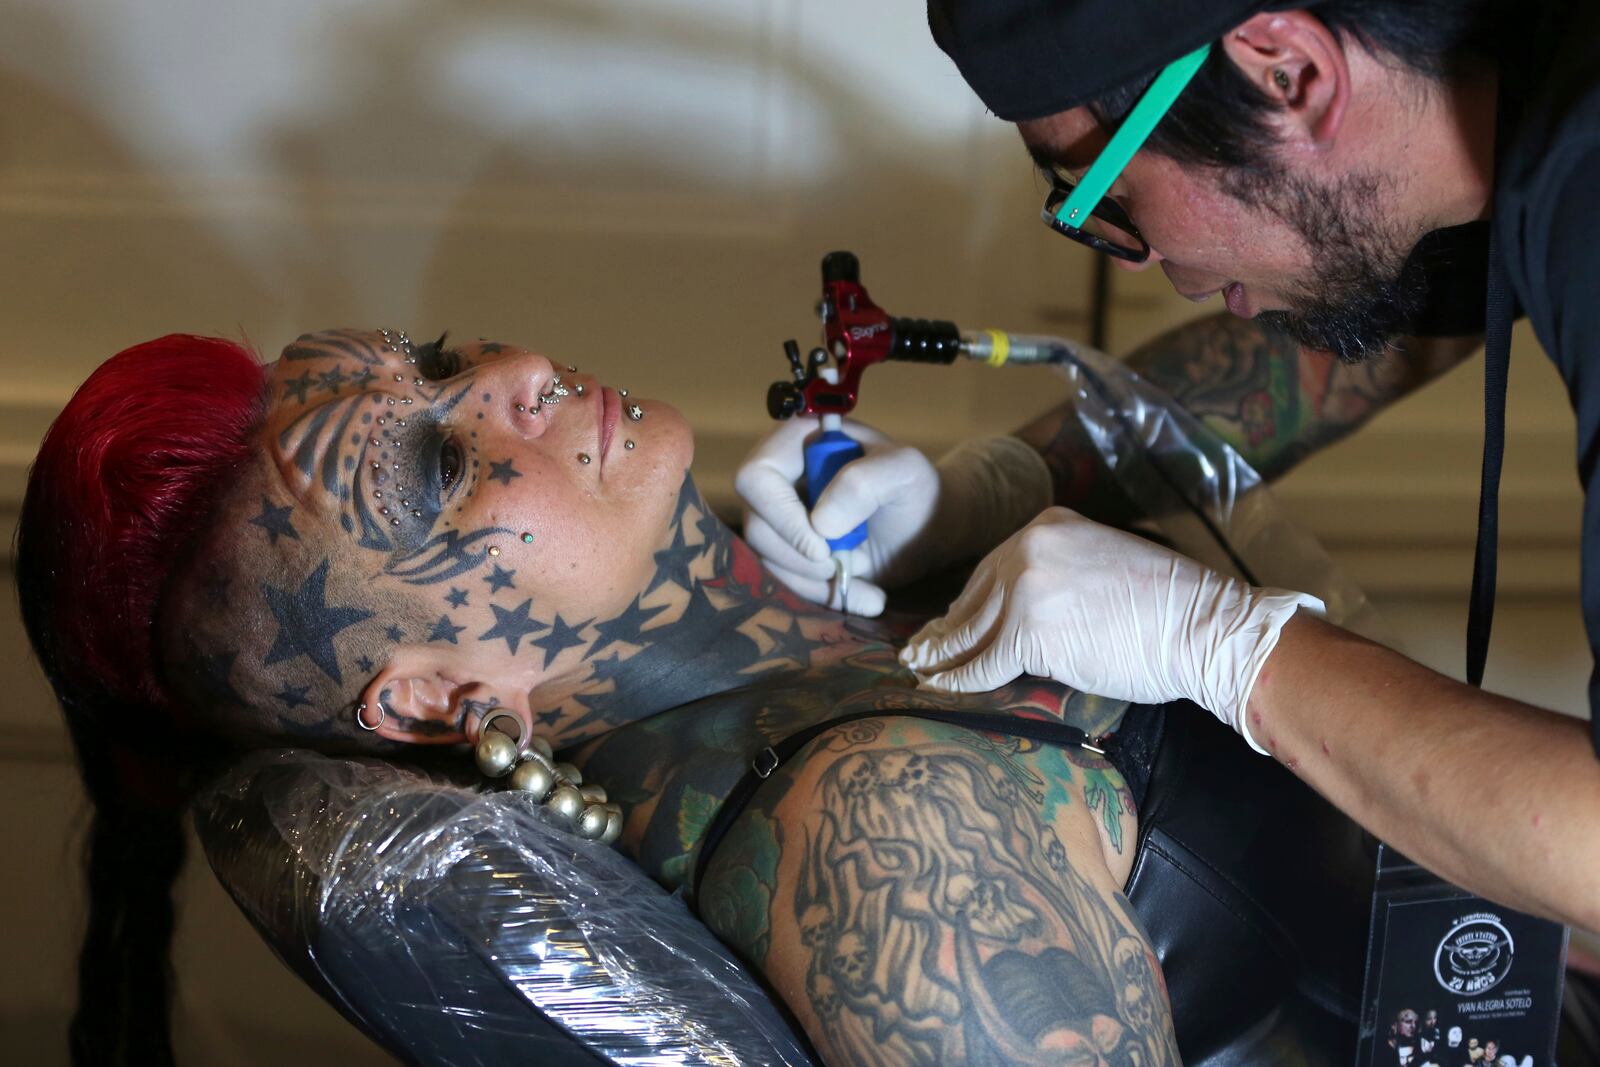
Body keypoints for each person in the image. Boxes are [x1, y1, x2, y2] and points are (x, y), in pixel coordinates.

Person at [22, 329, 1203, 1066]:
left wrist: (1000, 487)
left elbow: (1321, 351)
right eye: (434, 464)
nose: (511, 372)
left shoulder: (812, 618)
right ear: (445, 695)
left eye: (434, 355)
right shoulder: (879, 827)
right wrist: (1252, 660)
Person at [737, 0, 1600, 931]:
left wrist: (1231, 650)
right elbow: (1337, 349)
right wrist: (1000, 484)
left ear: (1288, 74)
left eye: (1103, 198)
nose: (1142, 260)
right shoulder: (1494, 102)